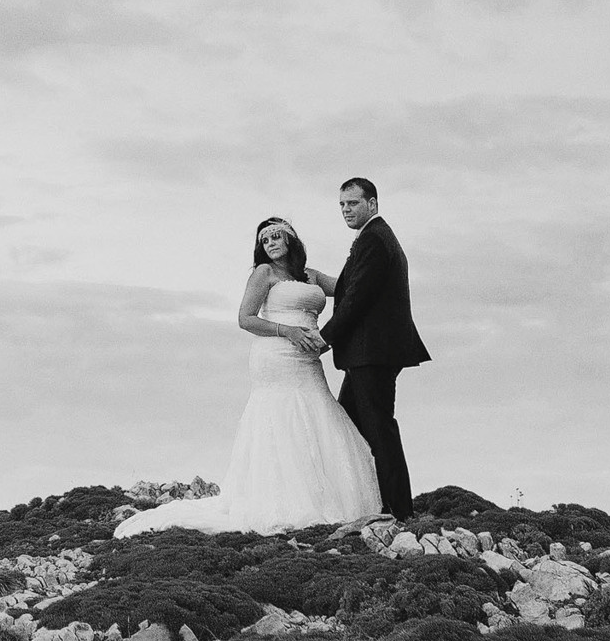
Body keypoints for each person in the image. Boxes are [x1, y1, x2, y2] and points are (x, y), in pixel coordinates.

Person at [113, 217, 382, 536]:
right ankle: (284, 502)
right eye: (264, 240)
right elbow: (245, 319)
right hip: (276, 355)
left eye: (275, 237)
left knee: (317, 414)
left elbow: (351, 289)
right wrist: (289, 331)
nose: (270, 244)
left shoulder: (309, 275)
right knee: (281, 417)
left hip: (309, 358)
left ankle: (331, 498)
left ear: (291, 239)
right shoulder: (263, 273)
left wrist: (332, 332)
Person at [320, 176, 429, 519]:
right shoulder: (375, 238)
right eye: (341, 205)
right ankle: (371, 503)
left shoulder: (374, 240)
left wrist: (323, 339)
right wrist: (318, 279)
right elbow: (351, 286)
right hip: (370, 353)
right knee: (351, 424)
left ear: (373, 203)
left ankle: (398, 511)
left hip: (373, 353)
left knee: (379, 429)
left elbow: (356, 300)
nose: (346, 210)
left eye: (352, 203)